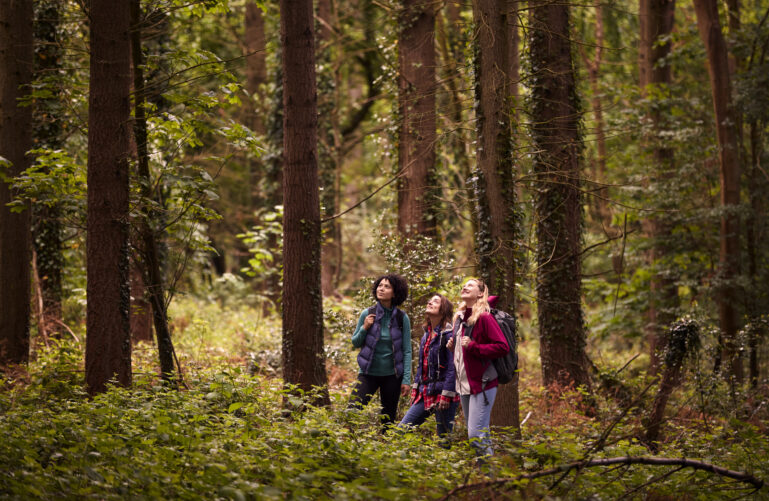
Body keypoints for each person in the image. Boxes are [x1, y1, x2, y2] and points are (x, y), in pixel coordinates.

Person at [446, 278, 508, 457]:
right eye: (464, 285)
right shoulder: (459, 318)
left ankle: (491, 477)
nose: (465, 287)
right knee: (482, 435)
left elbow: (502, 347)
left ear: (480, 294)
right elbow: (462, 354)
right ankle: (490, 479)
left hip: (482, 383)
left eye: (470, 285)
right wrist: (453, 347)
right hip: (465, 385)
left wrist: (474, 346)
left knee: (475, 436)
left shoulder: (484, 317)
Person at [350, 274, 412, 428]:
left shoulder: (401, 318)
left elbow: (407, 351)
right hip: (367, 373)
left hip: (392, 376)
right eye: (380, 285)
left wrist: (405, 380)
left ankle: (386, 448)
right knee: (352, 411)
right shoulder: (367, 313)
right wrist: (365, 327)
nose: (381, 289)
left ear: (395, 293)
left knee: (388, 421)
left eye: (387, 286)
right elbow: (355, 342)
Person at [398, 294, 460, 440]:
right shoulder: (426, 335)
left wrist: (447, 393)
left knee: (444, 439)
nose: (430, 302)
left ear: (443, 309)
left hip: (443, 394)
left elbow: (453, 367)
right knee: (400, 431)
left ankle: (446, 462)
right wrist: (415, 387)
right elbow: (421, 365)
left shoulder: (449, 335)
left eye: (436, 301)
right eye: (430, 300)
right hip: (425, 391)